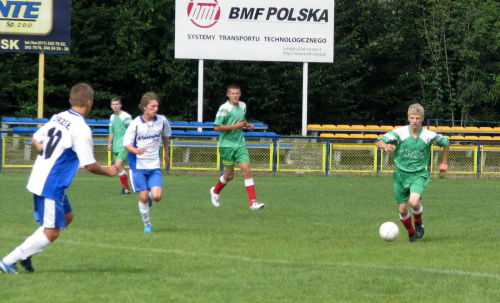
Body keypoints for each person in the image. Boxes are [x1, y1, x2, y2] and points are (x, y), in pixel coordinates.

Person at [0, 83, 118, 274]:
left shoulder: (59, 117)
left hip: (42, 175)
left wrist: (50, 155)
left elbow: (36, 139)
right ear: (89, 102)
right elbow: (89, 165)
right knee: (52, 231)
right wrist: (109, 171)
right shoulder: (81, 128)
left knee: (66, 217)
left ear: (71, 100)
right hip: (51, 182)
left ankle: (26, 253)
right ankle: (8, 261)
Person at [375, 103, 449, 242]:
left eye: (417, 118)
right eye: (412, 118)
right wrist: (385, 145)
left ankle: (418, 222)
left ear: (422, 119)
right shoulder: (399, 133)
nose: (414, 121)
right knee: (403, 210)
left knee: (414, 202)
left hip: (419, 174)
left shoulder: (428, 135)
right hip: (400, 175)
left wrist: (444, 162)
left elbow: (446, 142)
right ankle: (411, 233)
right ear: (408, 118)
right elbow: (379, 141)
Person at [210, 83, 264, 210]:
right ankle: (215, 191)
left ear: (240, 94)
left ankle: (253, 203)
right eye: (232, 93)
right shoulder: (224, 108)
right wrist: (235, 126)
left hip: (240, 144)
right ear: (228, 94)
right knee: (229, 175)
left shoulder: (243, 105)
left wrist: (247, 125)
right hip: (227, 146)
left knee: (247, 171)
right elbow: (216, 127)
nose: (235, 96)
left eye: (237, 93)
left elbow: (241, 119)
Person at [123, 92, 171, 233]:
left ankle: (151, 196)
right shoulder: (136, 124)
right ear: (144, 107)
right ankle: (147, 224)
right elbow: (126, 144)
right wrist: (136, 151)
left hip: (154, 165)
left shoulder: (162, 121)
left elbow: (166, 136)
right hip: (137, 166)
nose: (155, 109)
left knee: (157, 197)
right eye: (152, 106)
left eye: (157, 106)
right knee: (143, 197)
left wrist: (166, 153)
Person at [107, 97, 132, 194]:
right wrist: (110, 143)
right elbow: (111, 131)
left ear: (120, 105)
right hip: (116, 145)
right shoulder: (112, 117)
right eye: (113, 104)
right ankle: (126, 188)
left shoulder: (126, 116)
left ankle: (140, 184)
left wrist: (130, 144)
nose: (115, 106)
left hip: (125, 145)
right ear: (111, 106)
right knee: (120, 167)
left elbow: (131, 131)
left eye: (117, 104)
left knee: (116, 165)